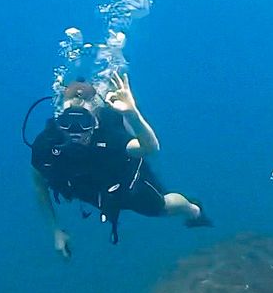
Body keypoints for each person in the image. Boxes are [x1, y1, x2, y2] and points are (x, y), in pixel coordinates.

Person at [30, 72, 210, 258]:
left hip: (126, 182)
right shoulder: (46, 145)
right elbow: (39, 185)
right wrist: (56, 231)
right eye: (68, 123)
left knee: (164, 206)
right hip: (89, 190)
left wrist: (132, 114)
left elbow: (151, 148)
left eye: (83, 123)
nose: (76, 134)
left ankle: (193, 211)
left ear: (94, 120)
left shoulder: (110, 134)